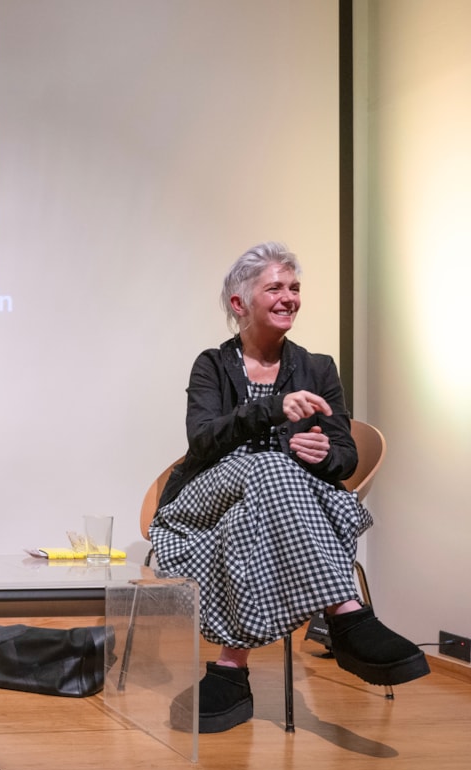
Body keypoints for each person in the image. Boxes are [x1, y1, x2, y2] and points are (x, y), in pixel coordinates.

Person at [149, 241, 428, 733]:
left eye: (295, 287)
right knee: (270, 467)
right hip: (204, 498)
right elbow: (201, 440)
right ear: (239, 304)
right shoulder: (212, 365)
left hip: (268, 507)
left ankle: (230, 674)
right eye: (274, 287)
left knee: (257, 502)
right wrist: (272, 410)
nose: (289, 297)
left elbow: (345, 453)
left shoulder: (318, 367)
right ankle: (347, 617)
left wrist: (327, 455)